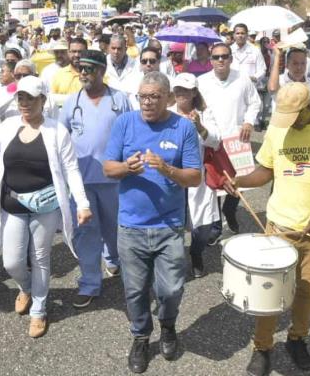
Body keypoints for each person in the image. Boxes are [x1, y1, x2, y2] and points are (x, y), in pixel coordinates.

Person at [223, 82, 310, 375]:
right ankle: (262, 346)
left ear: (308, 107)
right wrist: (239, 181)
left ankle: (297, 339)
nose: (288, 123)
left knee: (306, 291)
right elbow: (264, 172)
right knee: (268, 293)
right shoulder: (277, 130)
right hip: (279, 226)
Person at [103, 71, 202, 374]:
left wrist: (168, 170)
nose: (147, 102)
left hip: (169, 226)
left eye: (154, 97)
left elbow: (195, 177)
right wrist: (126, 167)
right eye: (142, 96)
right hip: (131, 226)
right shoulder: (124, 123)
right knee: (134, 291)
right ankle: (141, 337)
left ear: (168, 97)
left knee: (171, 289)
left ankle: (168, 326)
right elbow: (108, 168)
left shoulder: (182, 127)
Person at [0, 76, 92, 338]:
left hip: (45, 206)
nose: (24, 103)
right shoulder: (7, 127)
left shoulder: (57, 130)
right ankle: (25, 288)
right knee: (11, 262)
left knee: (40, 258)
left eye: (30, 98)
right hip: (13, 203)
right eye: (20, 98)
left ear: (43, 100)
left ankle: (39, 308)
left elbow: (71, 170)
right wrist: (11, 89)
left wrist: (82, 203)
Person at [60, 50, 131, 307]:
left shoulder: (119, 100)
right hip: (81, 182)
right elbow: (62, 139)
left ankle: (114, 261)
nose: (84, 74)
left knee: (116, 229)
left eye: (89, 69)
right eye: (81, 69)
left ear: (102, 71)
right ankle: (90, 282)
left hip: (115, 180)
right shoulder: (71, 103)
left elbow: (130, 136)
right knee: (86, 232)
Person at [197, 42, 262, 235]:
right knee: (214, 182)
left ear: (231, 59)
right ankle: (216, 225)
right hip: (212, 140)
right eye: (216, 57)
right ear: (210, 60)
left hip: (237, 140)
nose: (220, 60)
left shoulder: (242, 79)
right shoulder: (202, 82)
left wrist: (249, 122)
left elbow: (254, 103)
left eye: (224, 56)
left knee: (238, 179)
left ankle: (230, 210)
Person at [170, 73, 221, 278]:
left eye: (185, 89)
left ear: (193, 92)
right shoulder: (167, 113)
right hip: (173, 176)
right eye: (178, 89)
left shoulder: (205, 113)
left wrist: (200, 126)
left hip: (198, 176)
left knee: (203, 226)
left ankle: (196, 252)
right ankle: (174, 260)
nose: (181, 93)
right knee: (175, 222)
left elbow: (216, 142)